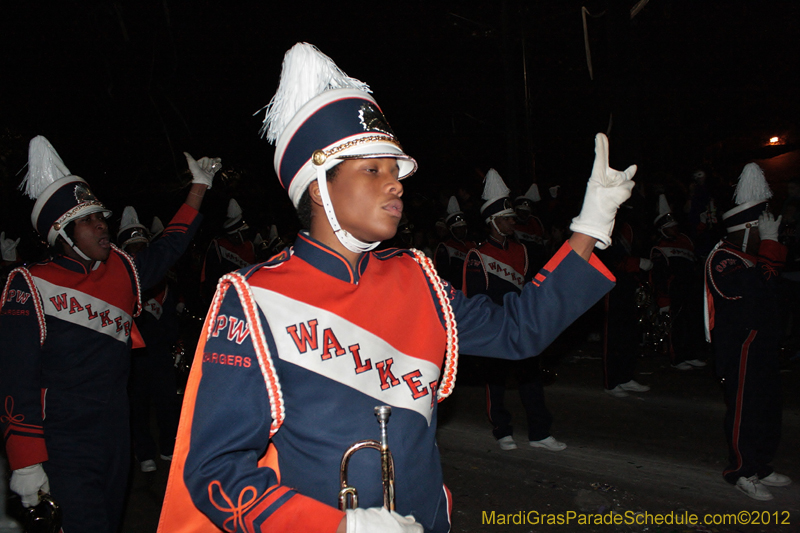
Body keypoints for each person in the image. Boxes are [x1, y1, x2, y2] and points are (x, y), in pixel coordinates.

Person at [157, 42, 634, 533]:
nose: (396, 184)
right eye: (373, 169)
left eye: (395, 170)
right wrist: (338, 527)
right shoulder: (254, 297)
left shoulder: (417, 277)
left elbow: (520, 331)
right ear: (319, 187)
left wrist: (591, 224)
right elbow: (216, 471)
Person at [0, 136, 219, 532]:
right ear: (61, 232)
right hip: (63, 441)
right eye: (88, 219)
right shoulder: (29, 284)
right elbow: (16, 377)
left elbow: (169, 246)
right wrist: (26, 460)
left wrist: (198, 188)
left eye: (102, 216)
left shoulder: (121, 270)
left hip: (116, 435)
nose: (103, 225)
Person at [704, 162, 792, 501]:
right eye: (761, 227)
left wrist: (768, 249)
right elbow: (757, 294)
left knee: (768, 408)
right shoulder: (724, 258)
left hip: (763, 344)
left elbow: (776, 294)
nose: (769, 233)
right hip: (741, 346)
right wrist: (770, 247)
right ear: (746, 228)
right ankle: (740, 469)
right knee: (745, 410)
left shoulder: (751, 257)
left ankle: (761, 464)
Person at [463, 169, 564, 451]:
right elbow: (475, 297)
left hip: (519, 324)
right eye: (507, 219)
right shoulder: (478, 254)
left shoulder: (522, 250)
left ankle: (540, 433)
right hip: (495, 326)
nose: (512, 222)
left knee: (531, 378)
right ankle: (502, 430)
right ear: (493, 222)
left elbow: (527, 288)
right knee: (495, 382)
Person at [118, 206, 183, 473]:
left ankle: (168, 447)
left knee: (167, 401)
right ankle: (144, 451)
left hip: (159, 352)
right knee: (137, 405)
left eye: (142, 246)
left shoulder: (161, 279)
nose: (138, 251)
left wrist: (176, 341)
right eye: (133, 247)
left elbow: (170, 317)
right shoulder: (119, 279)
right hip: (133, 355)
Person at [597, 215, 653, 397]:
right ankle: (611, 382)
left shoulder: (628, 225)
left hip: (626, 284)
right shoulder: (604, 223)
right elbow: (607, 258)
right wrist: (635, 264)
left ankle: (625, 377)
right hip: (609, 285)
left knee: (629, 334)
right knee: (612, 335)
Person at [650, 194, 707, 370]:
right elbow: (659, 278)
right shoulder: (659, 248)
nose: (675, 229)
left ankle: (690, 354)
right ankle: (678, 358)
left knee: (693, 323)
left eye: (675, 226)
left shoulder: (685, 240)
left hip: (692, 290)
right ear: (663, 230)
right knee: (678, 326)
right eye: (671, 227)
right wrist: (663, 302)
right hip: (675, 292)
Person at [200, 198, 256, 305]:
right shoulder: (219, 245)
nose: (246, 235)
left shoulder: (249, 247)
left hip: (245, 298)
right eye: (243, 232)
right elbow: (209, 274)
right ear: (235, 233)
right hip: (223, 298)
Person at [433, 195, 475, 291]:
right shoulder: (445, 247)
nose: (461, 230)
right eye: (458, 228)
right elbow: (442, 275)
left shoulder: (472, 246)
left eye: (463, 227)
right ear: (451, 230)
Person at [513, 182, 549, 272]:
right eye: (521, 211)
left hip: (537, 265)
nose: (524, 214)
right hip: (520, 266)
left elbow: (544, 240)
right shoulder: (511, 223)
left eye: (526, 212)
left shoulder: (536, 222)